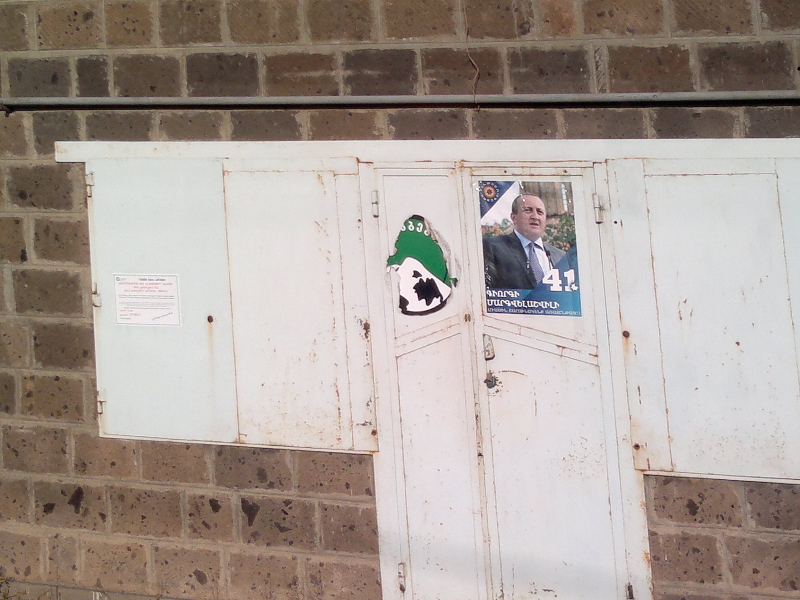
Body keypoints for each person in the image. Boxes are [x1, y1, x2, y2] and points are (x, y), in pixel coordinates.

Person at [483, 194, 566, 290]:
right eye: (528, 210)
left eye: (540, 212)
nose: (535, 216)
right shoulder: (493, 247)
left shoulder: (561, 256)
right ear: (514, 217)